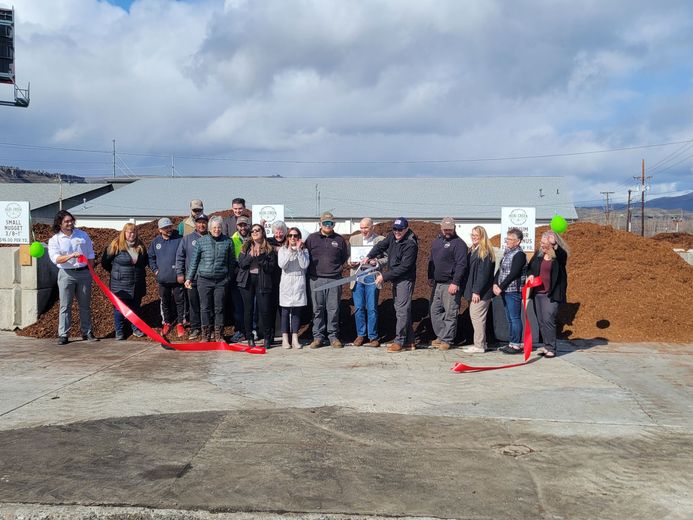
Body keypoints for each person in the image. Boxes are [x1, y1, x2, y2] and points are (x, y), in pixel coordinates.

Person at [363, 217, 418, 353]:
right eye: (395, 229)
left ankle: (399, 341)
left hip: (405, 279)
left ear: (406, 229)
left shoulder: (410, 244)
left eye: (400, 230)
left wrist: (384, 276)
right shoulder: (392, 236)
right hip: (395, 278)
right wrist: (369, 256)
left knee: (401, 310)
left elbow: (404, 267)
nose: (397, 232)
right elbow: (381, 245)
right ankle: (409, 341)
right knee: (401, 309)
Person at [47, 210, 99, 345]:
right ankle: (63, 334)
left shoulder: (82, 235)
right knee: (65, 305)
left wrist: (91, 271)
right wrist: (70, 256)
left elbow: (90, 254)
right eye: (66, 221)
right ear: (59, 223)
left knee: (85, 305)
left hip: (84, 273)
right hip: (66, 274)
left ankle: (87, 332)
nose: (70, 223)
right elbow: (56, 259)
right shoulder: (55, 240)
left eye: (71, 220)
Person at [185, 216, 236, 342]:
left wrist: (228, 278)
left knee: (219, 308)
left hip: (221, 281)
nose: (217, 230)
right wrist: (189, 278)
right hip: (204, 280)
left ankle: (219, 335)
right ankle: (206, 335)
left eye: (219, 227)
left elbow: (231, 262)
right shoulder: (201, 242)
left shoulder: (228, 242)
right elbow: (194, 262)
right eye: (214, 227)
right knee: (205, 307)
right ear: (209, 228)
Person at [305, 211, 349, 349]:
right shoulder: (311, 239)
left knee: (333, 309)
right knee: (317, 309)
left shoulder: (340, 240)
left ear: (334, 224)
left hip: (334, 279)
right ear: (320, 224)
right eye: (325, 223)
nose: (328, 225)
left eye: (330, 223)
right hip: (316, 279)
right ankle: (318, 336)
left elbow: (343, 258)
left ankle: (333, 336)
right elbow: (306, 257)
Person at [102, 223, 148, 340]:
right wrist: (117, 273)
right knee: (119, 308)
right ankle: (119, 331)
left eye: (133, 232)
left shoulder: (141, 246)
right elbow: (105, 263)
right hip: (120, 283)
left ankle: (135, 328)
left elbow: (144, 262)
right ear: (124, 233)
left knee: (135, 307)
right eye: (129, 232)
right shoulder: (116, 245)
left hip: (137, 282)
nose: (131, 234)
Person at [427, 217, 468, 350]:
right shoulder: (437, 242)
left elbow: (461, 265)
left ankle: (447, 340)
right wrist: (430, 276)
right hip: (437, 284)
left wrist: (455, 282)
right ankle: (441, 335)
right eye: (445, 229)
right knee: (435, 311)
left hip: (450, 284)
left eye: (450, 229)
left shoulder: (459, 244)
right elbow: (431, 259)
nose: (447, 231)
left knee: (450, 312)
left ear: (454, 228)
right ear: (441, 227)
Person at [527, 230, 569, 358]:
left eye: (545, 243)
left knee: (548, 319)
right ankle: (546, 346)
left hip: (551, 294)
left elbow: (563, 256)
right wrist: (530, 276)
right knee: (541, 320)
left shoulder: (558, 257)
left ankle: (551, 348)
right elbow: (530, 268)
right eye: (541, 242)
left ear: (551, 244)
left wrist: (555, 245)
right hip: (537, 293)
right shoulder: (538, 255)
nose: (542, 245)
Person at [236, 224, 278, 348]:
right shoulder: (246, 246)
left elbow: (271, 268)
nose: (255, 232)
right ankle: (249, 337)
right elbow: (242, 264)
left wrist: (260, 257)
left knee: (265, 310)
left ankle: (267, 337)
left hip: (263, 280)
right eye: (253, 231)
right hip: (247, 281)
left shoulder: (269, 248)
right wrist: (250, 256)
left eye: (257, 230)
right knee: (248, 310)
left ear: (263, 232)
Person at [349, 217, 386, 347]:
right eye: (362, 228)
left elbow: (387, 258)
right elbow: (349, 257)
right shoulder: (354, 239)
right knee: (359, 307)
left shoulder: (380, 240)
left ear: (372, 227)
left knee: (372, 308)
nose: (363, 230)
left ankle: (373, 336)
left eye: (366, 227)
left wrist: (377, 262)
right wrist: (351, 262)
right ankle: (360, 335)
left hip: (372, 276)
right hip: (358, 275)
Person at [148, 217, 185, 337]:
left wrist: (182, 271)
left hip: (177, 277)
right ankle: (167, 323)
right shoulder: (156, 242)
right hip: (163, 278)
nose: (168, 229)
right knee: (165, 301)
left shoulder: (179, 238)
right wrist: (155, 270)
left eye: (169, 227)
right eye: (165, 228)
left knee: (180, 301)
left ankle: (180, 323)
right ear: (160, 230)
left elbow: (185, 255)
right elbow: (151, 257)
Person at [493, 227, 528, 354]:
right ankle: (511, 343)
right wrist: (495, 283)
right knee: (509, 318)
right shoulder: (507, 252)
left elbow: (513, 273)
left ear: (517, 241)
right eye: (507, 238)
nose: (507, 241)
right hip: (505, 291)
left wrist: (501, 287)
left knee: (514, 318)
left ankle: (516, 344)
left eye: (510, 239)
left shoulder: (520, 255)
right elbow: (500, 270)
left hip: (513, 291)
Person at [462, 226, 496, 353]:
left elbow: (483, 274)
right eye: (473, 234)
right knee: (478, 317)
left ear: (482, 236)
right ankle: (482, 343)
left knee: (477, 317)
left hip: (481, 293)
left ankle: (479, 345)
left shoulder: (484, 251)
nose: (474, 237)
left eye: (477, 235)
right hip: (475, 291)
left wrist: (476, 291)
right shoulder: (474, 250)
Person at [176, 212, 209, 340]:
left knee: (207, 305)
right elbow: (180, 257)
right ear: (195, 224)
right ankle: (195, 328)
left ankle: (208, 328)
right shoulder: (187, 239)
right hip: (192, 278)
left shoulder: (211, 237)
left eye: (204, 222)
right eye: (199, 222)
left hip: (207, 279)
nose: (202, 225)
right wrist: (180, 273)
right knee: (193, 304)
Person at [277, 227, 310, 349]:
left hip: (299, 280)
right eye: (290, 235)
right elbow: (282, 265)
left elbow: (304, 265)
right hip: (287, 280)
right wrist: (291, 251)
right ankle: (285, 338)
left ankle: (295, 337)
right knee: (285, 310)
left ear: (299, 238)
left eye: (295, 236)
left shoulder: (305, 251)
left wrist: (299, 251)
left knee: (296, 310)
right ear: (287, 237)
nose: (293, 238)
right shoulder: (283, 250)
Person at [228, 215, 251, 341]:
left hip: (250, 275)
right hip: (237, 276)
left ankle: (251, 331)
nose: (242, 227)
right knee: (238, 307)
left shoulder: (253, 238)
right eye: (240, 225)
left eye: (244, 225)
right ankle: (239, 331)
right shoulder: (232, 239)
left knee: (250, 306)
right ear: (237, 226)